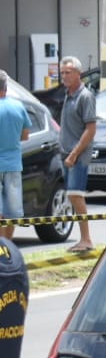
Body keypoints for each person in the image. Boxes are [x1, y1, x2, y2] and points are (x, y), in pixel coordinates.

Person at [57, 56, 97, 253]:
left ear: (78, 74)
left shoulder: (85, 96)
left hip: (77, 156)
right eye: (62, 72)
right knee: (72, 196)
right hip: (65, 153)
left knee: (76, 195)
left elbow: (90, 129)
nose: (64, 76)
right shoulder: (68, 94)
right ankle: (83, 239)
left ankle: (86, 239)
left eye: (68, 72)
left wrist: (74, 154)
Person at [0, 76, 28, 242]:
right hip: (13, 164)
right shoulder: (18, 106)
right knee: (12, 212)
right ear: (6, 88)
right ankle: (7, 245)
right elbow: (25, 136)